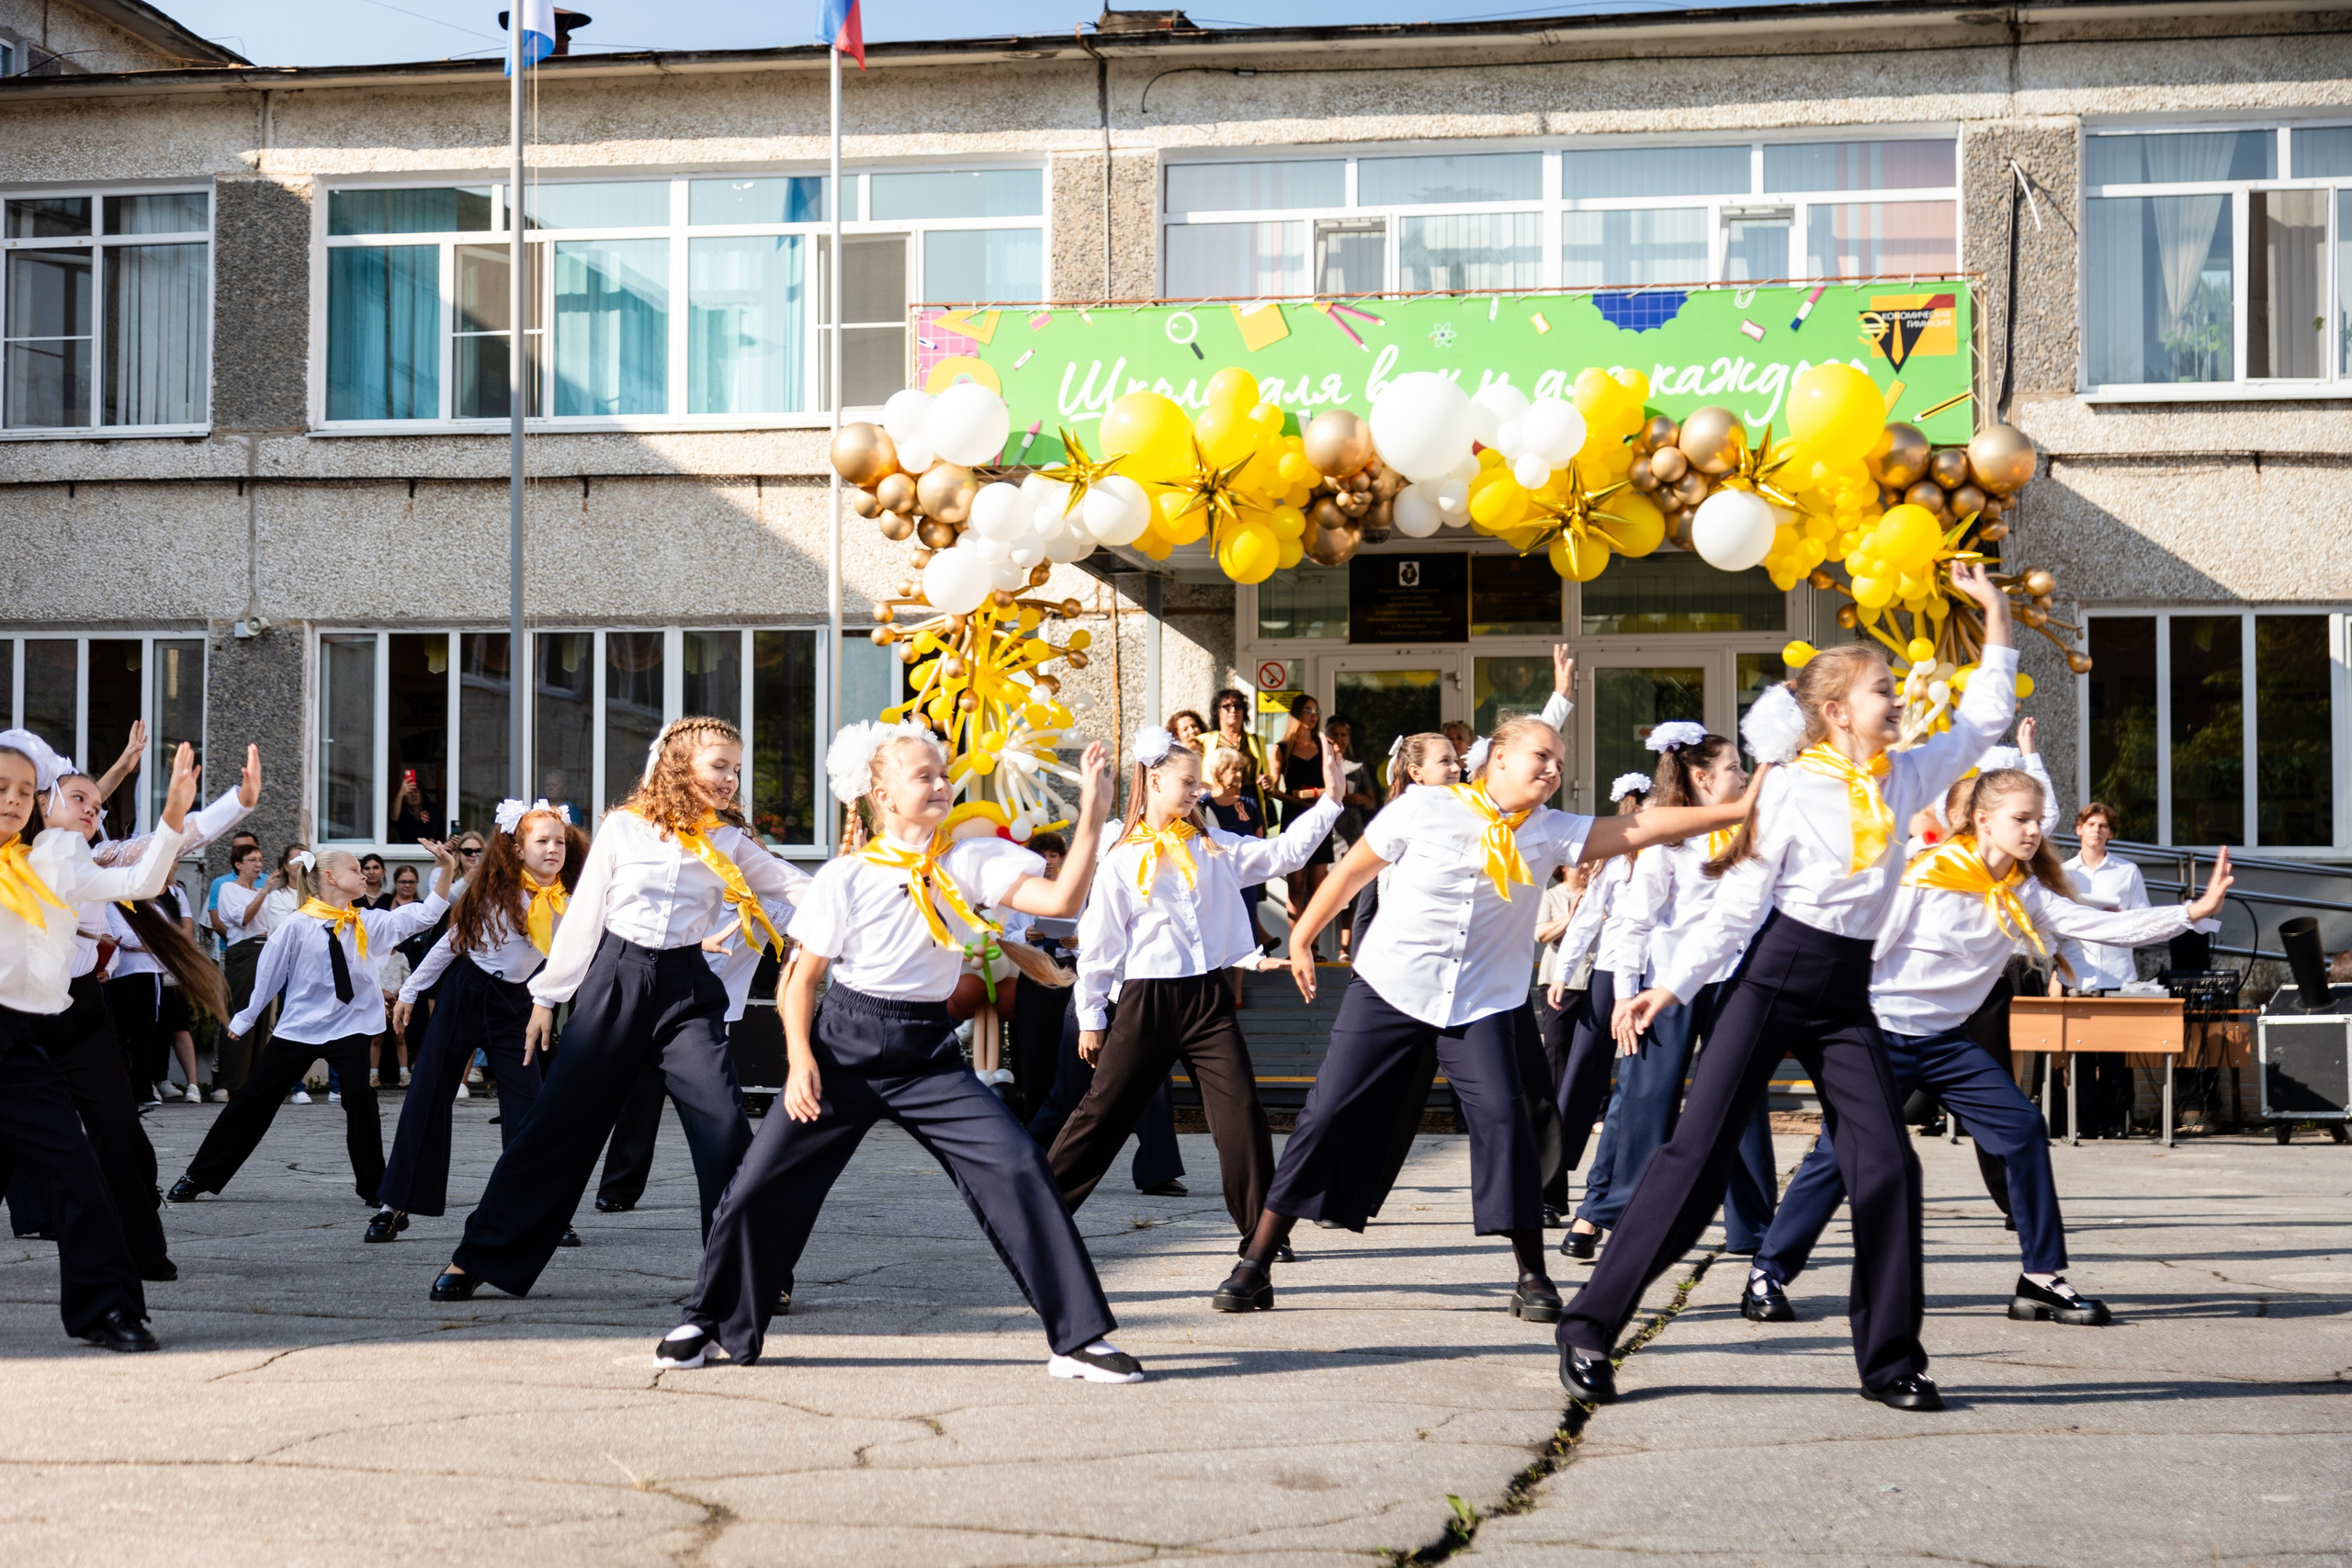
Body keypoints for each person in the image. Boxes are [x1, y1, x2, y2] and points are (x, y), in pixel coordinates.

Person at [1558, 560, 2016, 1414]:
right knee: (1694, 1164)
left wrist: (1990, 611)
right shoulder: (1793, 788)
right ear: (1838, 712)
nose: (1896, 697)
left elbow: (1987, 714)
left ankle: (1889, 1362)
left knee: (1887, 1166)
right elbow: (1739, 905)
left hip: (1847, 992)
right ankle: (1588, 1327)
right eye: (1882, 689)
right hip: (1772, 976)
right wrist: (1672, 983)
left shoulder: (1905, 774)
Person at [1212, 713, 1754, 1322]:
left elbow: (1644, 824)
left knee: (1506, 1120)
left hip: (1482, 1003)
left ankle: (1533, 1275)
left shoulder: (1551, 830)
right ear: (1497, 759)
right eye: (1541, 756)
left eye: (1559, 762)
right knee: (1327, 1112)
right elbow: (1353, 871)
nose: (1553, 769)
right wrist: (1304, 937)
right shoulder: (1423, 808)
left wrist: (1736, 811)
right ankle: (1255, 1262)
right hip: (1391, 987)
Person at [653, 722, 1145, 1386]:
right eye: (925, 775)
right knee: (757, 1186)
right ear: (882, 793)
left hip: (926, 1055)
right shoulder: (847, 876)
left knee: (1019, 1164)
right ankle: (710, 1321)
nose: (943, 784)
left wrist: (1093, 808)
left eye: (945, 773)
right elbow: (799, 979)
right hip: (841, 1049)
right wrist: (800, 1061)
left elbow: (1064, 900)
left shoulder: (969, 859)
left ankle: (1078, 1337)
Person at [1743, 769, 2231, 1329]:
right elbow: (1862, 955)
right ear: (1982, 820)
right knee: (1838, 1155)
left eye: (2037, 821)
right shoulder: (1919, 878)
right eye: (2020, 819)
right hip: (1880, 1035)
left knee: (2022, 1129)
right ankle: (1767, 1274)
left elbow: (2101, 926)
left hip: (1947, 1042)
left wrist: (2192, 912)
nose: (2032, 831)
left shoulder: (2022, 892)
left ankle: (2041, 1279)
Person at [428, 716, 805, 1303]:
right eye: (719, 766)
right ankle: (481, 1255)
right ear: (679, 766)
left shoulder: (729, 840)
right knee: (559, 1124)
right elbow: (585, 919)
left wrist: (873, 889)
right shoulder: (623, 829)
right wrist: (547, 997)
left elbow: (790, 884)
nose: (732, 779)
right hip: (616, 979)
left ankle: (752, 1272)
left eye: (736, 769)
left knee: (725, 1127)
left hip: (686, 987)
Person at [1052, 724, 1341, 1246]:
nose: (1198, 791)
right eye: (1188, 782)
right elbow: (1099, 944)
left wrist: (1332, 801)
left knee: (1241, 1111)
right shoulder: (1120, 856)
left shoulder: (1214, 847)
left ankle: (1262, 1236)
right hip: (1146, 1000)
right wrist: (1091, 1015)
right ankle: (1038, 1214)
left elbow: (1284, 856)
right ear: (1155, 781)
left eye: (1198, 783)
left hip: (1207, 997)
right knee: (1103, 1113)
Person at [0, 734, 199, 1350]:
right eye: (0, 788)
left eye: (23, 791)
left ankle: (106, 1306)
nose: (11, 800)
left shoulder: (49, 861)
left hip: (14, 1039)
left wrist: (170, 820)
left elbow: (138, 880)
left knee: (75, 1165)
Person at [168, 839, 458, 1209]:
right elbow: (269, 974)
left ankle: (376, 1186)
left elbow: (426, 915)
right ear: (330, 878)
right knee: (253, 1101)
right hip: (299, 1029)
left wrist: (447, 869)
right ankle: (199, 1175)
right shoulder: (296, 924)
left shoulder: (370, 921)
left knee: (361, 1100)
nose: (365, 874)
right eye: (355, 869)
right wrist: (246, 1017)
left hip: (349, 1028)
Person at [1585, 726, 1779, 1259]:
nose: (1742, 775)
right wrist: (1626, 994)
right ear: (1700, 777)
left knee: (1741, 1098)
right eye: (1734, 768)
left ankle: (1753, 1230)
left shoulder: (1754, 831)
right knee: (1648, 1099)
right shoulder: (1667, 840)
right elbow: (1633, 922)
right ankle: (1626, 1218)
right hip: (1667, 985)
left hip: (1735, 982)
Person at [371, 800, 591, 1243]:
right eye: (541, 841)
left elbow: (581, 960)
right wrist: (410, 992)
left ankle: (540, 1211)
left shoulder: (573, 900)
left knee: (529, 1107)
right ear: (516, 848)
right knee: (428, 1094)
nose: (553, 849)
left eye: (559, 842)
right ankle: (393, 1205)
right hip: (465, 992)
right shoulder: (491, 892)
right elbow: (449, 945)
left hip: (519, 1005)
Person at [1553, 774, 1648, 1260]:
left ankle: (1596, 1194)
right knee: (1585, 1071)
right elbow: (1588, 916)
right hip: (1613, 973)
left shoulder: (1674, 854)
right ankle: (1553, 1181)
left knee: (1623, 1078)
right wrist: (1563, 970)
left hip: (1651, 975)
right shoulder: (1615, 864)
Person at [2057, 800, 2152, 1136]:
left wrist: (2118, 919)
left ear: (2111, 833)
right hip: (2079, 971)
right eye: (2090, 824)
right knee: (2081, 1056)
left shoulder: (2127, 872)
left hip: (2116, 973)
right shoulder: (2064, 873)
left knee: (2114, 1057)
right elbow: (2053, 922)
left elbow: (2143, 920)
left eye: (2103, 826)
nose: (2096, 830)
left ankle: (2114, 1122)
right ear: (2079, 829)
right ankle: (2083, 1123)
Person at [212, 840, 270, 1100]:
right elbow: (244, 918)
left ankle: (252, 1082)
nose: (259, 864)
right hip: (243, 951)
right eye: (253, 860)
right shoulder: (228, 888)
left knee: (261, 1016)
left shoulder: (259, 891)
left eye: (260, 859)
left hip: (265, 950)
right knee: (240, 1013)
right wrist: (266, 890)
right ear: (238, 864)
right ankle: (227, 1083)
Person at [1272, 694, 1333, 931]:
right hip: (1293, 816)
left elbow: (1334, 784)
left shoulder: (1323, 744)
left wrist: (1319, 798)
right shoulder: (1282, 748)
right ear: (1296, 714)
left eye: (1316, 711)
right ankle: (1296, 943)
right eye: (1308, 711)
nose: (1313, 716)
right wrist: (1298, 800)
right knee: (1296, 884)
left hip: (1321, 816)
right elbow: (1274, 790)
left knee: (1317, 885)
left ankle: (1314, 946)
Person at [1204, 747, 1271, 953]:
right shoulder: (1203, 803)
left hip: (1245, 873)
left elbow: (1260, 836)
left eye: (1240, 769)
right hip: (1217, 874)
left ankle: (1242, 983)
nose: (1240, 774)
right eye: (1234, 769)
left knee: (1246, 921)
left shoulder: (1249, 800)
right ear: (1219, 771)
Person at [1208, 688, 1273, 823]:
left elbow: (1264, 773)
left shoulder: (1256, 740)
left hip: (1249, 804)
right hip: (1217, 803)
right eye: (1227, 706)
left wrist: (1267, 783)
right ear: (1217, 712)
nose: (1233, 710)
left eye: (1238, 706)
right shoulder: (1205, 740)